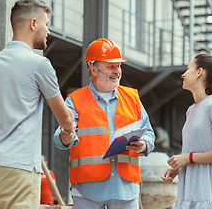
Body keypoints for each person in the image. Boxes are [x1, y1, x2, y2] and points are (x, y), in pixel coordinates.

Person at [0, 0, 74, 209]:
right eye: (46, 24)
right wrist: (69, 130)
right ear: (33, 24)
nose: (48, 31)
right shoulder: (39, 65)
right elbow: (65, 118)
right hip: (19, 167)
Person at [53, 38, 156, 209]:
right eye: (111, 66)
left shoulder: (133, 98)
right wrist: (66, 135)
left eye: (119, 66)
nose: (117, 71)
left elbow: (149, 134)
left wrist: (144, 144)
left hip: (126, 189)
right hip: (87, 190)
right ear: (93, 69)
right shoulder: (75, 101)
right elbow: (60, 138)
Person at [161, 54, 212, 208]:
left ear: (199, 72)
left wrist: (188, 158)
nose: (183, 74)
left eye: (187, 69)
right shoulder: (191, 110)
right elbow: (198, 149)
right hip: (193, 188)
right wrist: (178, 168)